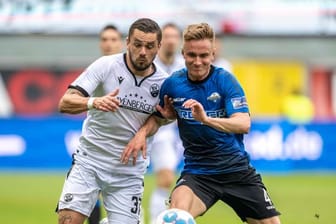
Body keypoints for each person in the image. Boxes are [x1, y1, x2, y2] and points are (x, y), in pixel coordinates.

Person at [121, 23, 281, 224]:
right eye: (191, 55)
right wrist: (143, 132)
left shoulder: (225, 80)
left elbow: (243, 123)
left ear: (213, 54)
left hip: (237, 171)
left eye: (204, 55)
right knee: (174, 218)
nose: (197, 62)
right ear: (183, 54)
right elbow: (160, 116)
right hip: (198, 174)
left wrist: (206, 120)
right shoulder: (172, 84)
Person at [56, 18, 168, 224]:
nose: (143, 51)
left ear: (158, 47)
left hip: (129, 172)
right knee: (68, 221)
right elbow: (65, 102)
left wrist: (142, 133)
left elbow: (163, 117)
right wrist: (94, 101)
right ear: (127, 42)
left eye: (149, 46)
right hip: (90, 162)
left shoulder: (164, 83)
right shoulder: (106, 65)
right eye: (137, 44)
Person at [88, 24, 124, 224]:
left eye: (113, 39)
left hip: (126, 143)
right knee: (91, 192)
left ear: (121, 42)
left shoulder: (132, 71)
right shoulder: (96, 69)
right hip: (99, 140)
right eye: (104, 40)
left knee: (122, 196)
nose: (108, 44)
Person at [149, 22, 185, 224]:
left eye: (174, 36)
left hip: (170, 130)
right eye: (167, 36)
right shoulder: (150, 65)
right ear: (161, 41)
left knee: (167, 179)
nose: (171, 40)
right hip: (147, 127)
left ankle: (155, 220)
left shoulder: (183, 65)